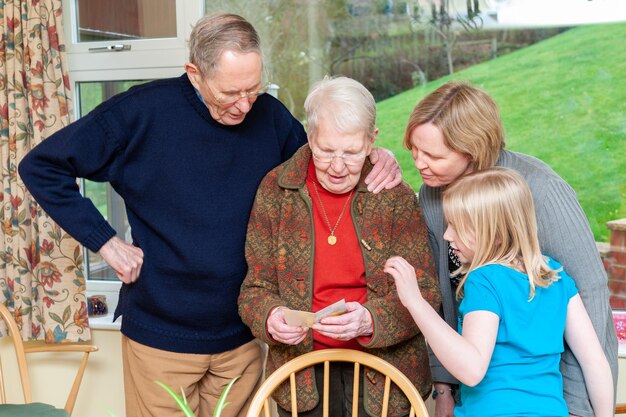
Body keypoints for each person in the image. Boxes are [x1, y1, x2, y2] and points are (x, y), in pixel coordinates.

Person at [17, 13, 402, 417]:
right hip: (161, 338)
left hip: (242, 339)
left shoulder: (268, 116)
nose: (244, 104)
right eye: (231, 92)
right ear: (194, 73)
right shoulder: (139, 113)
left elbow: (325, 160)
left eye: (254, 88)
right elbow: (41, 166)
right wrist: (105, 241)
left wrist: (375, 154)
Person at [401, 81, 618, 417]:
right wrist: (444, 388)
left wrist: (580, 408)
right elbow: (442, 292)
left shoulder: (542, 190)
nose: (419, 164)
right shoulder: (431, 193)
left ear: (469, 150)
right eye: (414, 151)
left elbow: (591, 298)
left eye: (433, 155)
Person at [238, 76, 441, 417]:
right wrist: (269, 316)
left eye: (351, 153)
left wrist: (370, 320)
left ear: (371, 141)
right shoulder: (275, 191)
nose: (336, 167)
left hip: (385, 379)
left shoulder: (394, 196)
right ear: (309, 135)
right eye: (326, 150)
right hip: (301, 377)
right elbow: (253, 289)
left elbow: (427, 294)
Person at [385, 168, 614, 417]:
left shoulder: (484, 280)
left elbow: (471, 369)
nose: (447, 235)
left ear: (490, 232)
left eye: (456, 226)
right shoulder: (556, 275)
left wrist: (415, 302)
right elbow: (596, 363)